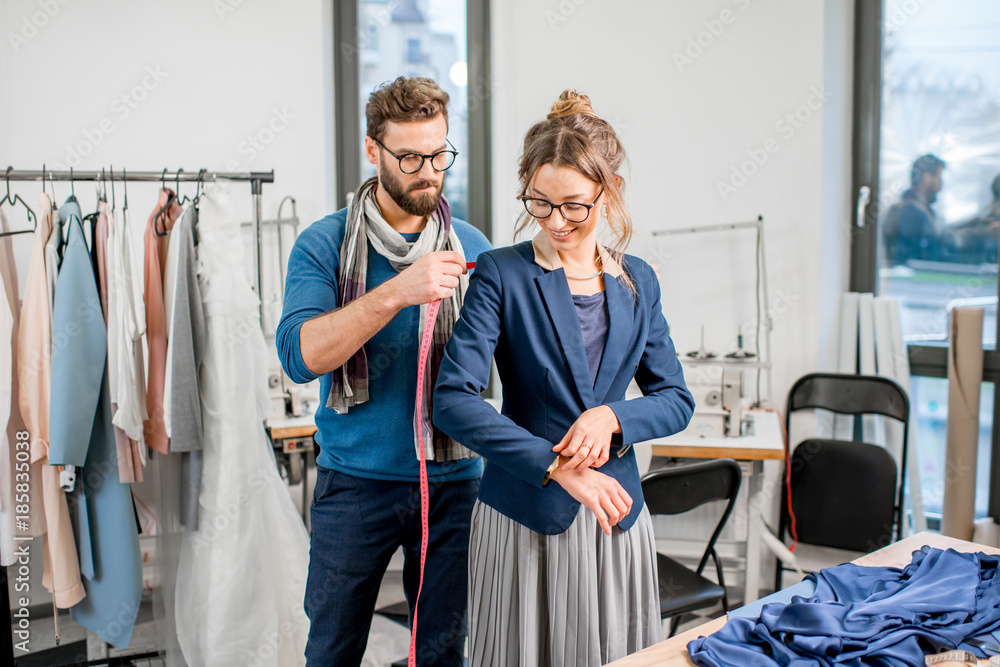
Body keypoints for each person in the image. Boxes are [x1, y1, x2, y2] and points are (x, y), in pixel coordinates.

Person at [433, 90, 695, 666]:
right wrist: (555, 465)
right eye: (540, 203)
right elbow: (452, 400)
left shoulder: (638, 281)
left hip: (616, 521)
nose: (556, 222)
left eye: (574, 205)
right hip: (526, 513)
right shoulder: (502, 273)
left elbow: (676, 400)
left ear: (611, 192)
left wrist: (614, 416)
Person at [276, 76, 491, 667]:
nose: (429, 171)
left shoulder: (472, 246)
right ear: (374, 152)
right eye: (411, 157)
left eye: (440, 154)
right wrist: (397, 291)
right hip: (354, 486)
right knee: (331, 651)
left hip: (453, 486)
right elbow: (300, 356)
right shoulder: (323, 244)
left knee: (443, 654)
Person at [882, 153, 946, 265]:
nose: (940, 186)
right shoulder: (910, 213)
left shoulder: (920, 211)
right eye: (939, 178)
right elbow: (911, 262)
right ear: (926, 177)